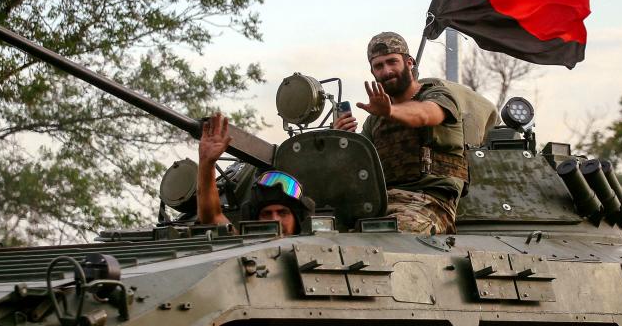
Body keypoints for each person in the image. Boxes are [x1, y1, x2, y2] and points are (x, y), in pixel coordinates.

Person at [335, 32, 494, 235]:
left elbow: (424, 114)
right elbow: (359, 169)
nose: (387, 71)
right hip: (381, 205)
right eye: (379, 66)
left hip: (430, 203)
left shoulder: (437, 95)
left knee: (393, 236)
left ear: (409, 62)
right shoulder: (375, 120)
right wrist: (343, 140)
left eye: (392, 62)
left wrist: (390, 111)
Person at [197, 112, 314, 235]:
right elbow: (212, 216)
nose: (275, 220)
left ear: (297, 219)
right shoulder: (243, 247)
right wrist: (206, 163)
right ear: (254, 220)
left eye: (282, 212)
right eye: (266, 214)